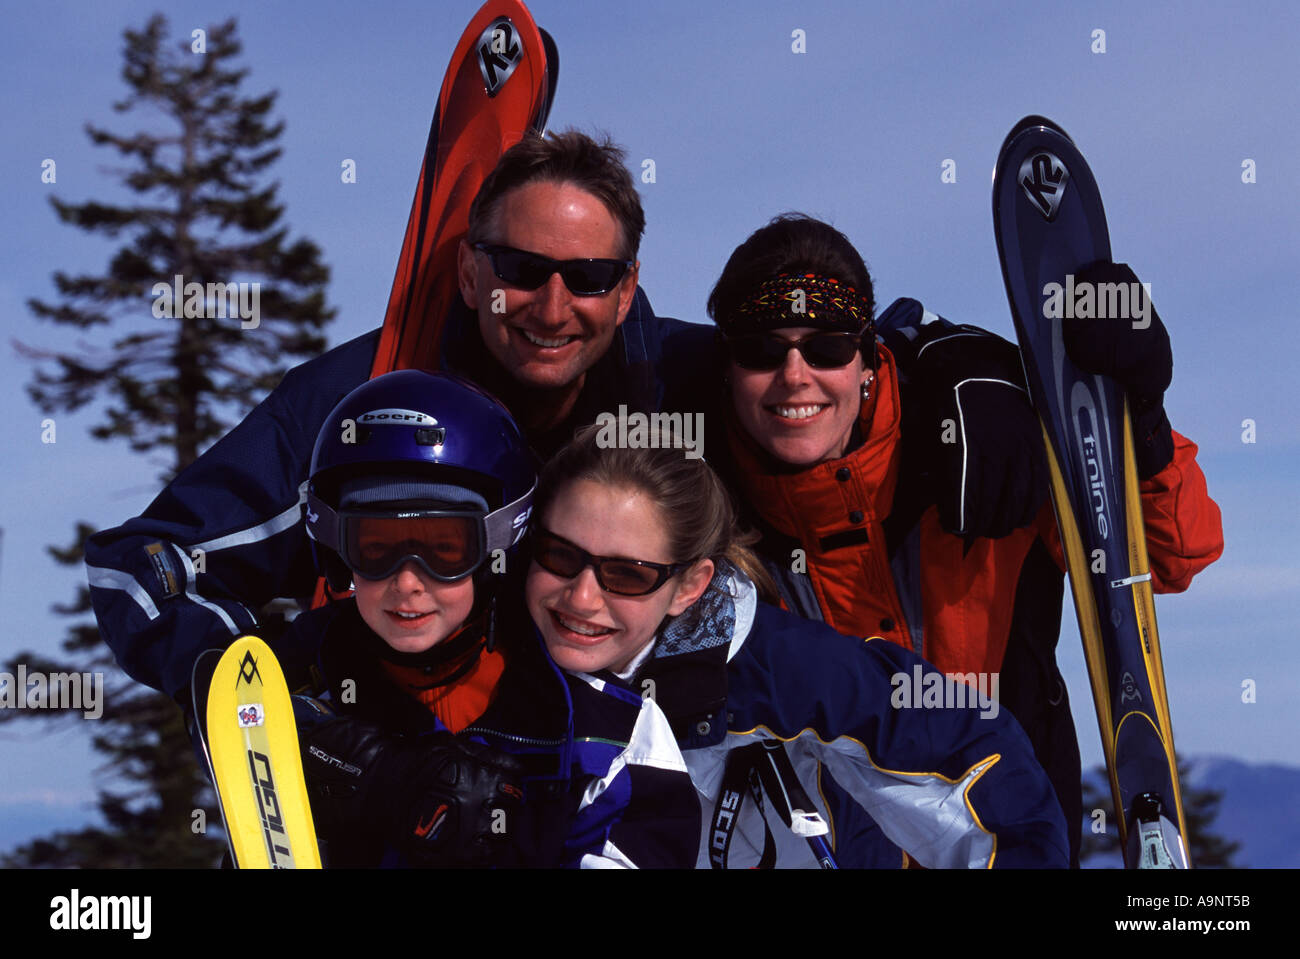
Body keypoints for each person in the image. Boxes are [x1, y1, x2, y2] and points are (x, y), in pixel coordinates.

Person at [84, 130, 711, 704]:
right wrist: (259, 694)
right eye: (520, 272)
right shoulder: (354, 407)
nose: (551, 309)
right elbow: (142, 566)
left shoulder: (695, 382)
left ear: (626, 290)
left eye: (588, 278)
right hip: (409, 764)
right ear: (469, 273)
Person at [703, 214, 1225, 864]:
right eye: (761, 349)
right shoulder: (697, 496)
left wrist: (1142, 421)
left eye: (828, 346)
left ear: (867, 359)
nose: (795, 373)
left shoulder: (984, 435)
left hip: (1016, 833)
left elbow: (1172, 558)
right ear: (727, 369)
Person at [524, 424, 1070, 868]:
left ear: (688, 586)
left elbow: (980, 760)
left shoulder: (780, 671)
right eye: (560, 555)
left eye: (627, 573)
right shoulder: (483, 655)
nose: (583, 597)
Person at [277, 369, 699, 868]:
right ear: (335, 549)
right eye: (375, 546)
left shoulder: (606, 731)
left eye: (445, 549)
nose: (408, 582)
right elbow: (223, 698)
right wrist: (359, 770)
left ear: (496, 547)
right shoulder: (306, 669)